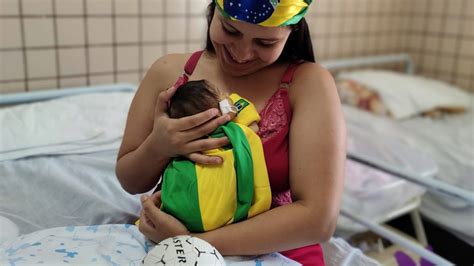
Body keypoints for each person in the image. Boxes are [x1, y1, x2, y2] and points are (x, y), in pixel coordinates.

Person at [116, 0, 346, 265]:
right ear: (213, 11)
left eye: (265, 43)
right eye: (231, 31)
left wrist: (191, 242)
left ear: (291, 31)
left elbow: (319, 220)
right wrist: (158, 146)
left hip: (277, 249)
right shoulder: (169, 71)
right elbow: (130, 181)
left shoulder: (308, 83)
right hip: (164, 241)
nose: (242, 52)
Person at [159, 79, 272, 232]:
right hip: (226, 221)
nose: (226, 95)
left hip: (182, 217)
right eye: (220, 94)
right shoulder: (232, 125)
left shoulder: (182, 139)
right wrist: (231, 111)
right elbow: (253, 128)